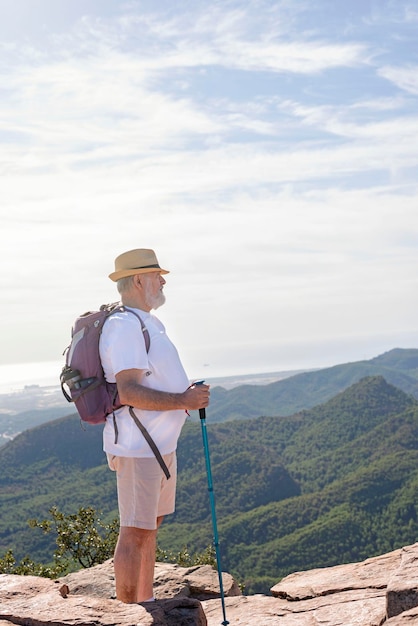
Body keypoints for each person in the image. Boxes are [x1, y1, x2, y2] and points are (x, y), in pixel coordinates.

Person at [99, 248, 210, 604]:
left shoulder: (144, 322)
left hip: (158, 446)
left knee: (150, 527)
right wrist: (183, 401)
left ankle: (145, 605)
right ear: (138, 280)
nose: (162, 281)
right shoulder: (123, 327)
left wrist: (183, 394)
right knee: (134, 532)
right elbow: (129, 391)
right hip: (138, 446)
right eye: (157, 275)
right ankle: (129, 614)